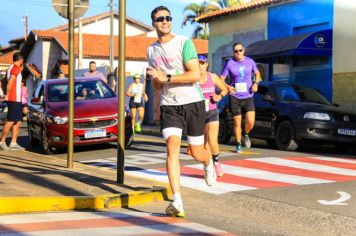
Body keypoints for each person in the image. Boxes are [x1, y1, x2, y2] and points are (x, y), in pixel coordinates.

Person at [146, 6, 216, 218]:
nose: (164, 22)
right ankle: (177, 200)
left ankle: (207, 161)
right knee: (172, 148)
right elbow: (157, 84)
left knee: (196, 152)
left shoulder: (183, 42)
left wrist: (166, 77)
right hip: (170, 105)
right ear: (154, 24)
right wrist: (157, 100)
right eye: (160, 19)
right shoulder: (151, 50)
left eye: (168, 18)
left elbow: (194, 74)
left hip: (192, 102)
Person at [221, 42, 261, 153]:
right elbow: (221, 79)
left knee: (250, 122)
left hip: (248, 96)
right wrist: (228, 87)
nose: (238, 53)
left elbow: (258, 74)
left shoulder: (250, 61)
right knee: (237, 122)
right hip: (235, 97)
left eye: (240, 50)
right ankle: (238, 144)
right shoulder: (229, 63)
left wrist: (256, 83)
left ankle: (246, 134)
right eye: (235, 51)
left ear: (244, 50)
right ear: (233, 52)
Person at [198, 54, 228, 177]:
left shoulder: (213, 77)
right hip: (198, 114)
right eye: (198, 63)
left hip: (212, 112)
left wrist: (219, 96)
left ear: (207, 64)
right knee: (203, 145)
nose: (200, 65)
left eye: (202, 63)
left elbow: (224, 89)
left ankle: (216, 162)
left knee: (212, 139)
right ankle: (208, 165)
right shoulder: (193, 79)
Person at [0, 52, 25, 150]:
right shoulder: (15, 68)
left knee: (18, 121)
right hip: (13, 99)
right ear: (21, 60)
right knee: (11, 121)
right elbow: (10, 82)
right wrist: (7, 94)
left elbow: (3, 81)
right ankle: (2, 141)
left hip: (17, 99)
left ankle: (13, 142)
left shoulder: (11, 68)